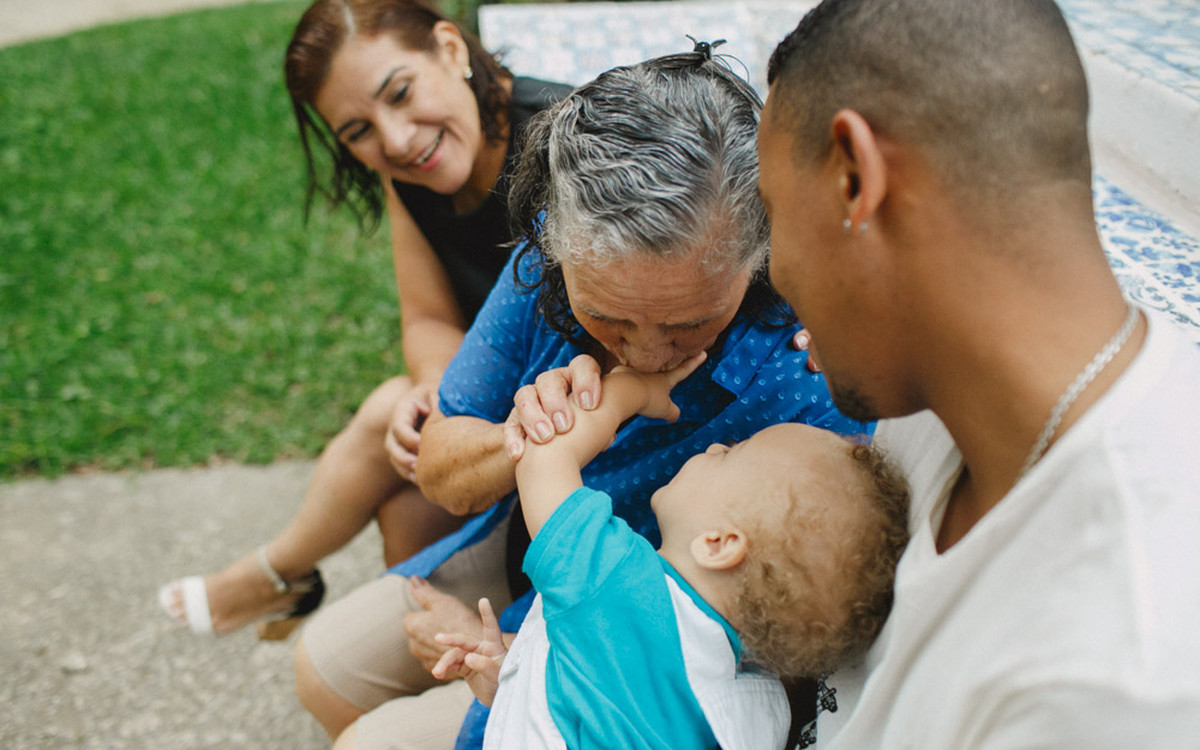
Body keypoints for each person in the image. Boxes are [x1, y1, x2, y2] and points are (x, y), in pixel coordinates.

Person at [291, 46, 872, 749]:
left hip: (640, 649)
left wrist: (573, 431)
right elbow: (444, 468)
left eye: (689, 321)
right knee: (324, 669)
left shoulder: (809, 376)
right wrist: (523, 432)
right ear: (557, 248)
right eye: (608, 315)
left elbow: (793, 630)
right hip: (531, 567)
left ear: (761, 258)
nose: (649, 354)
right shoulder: (543, 255)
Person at [759, 0, 1200, 747]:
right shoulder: (936, 391)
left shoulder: (1122, 675)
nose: (774, 271)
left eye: (772, 212)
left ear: (854, 180)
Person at [157, 0, 572, 638]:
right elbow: (428, 318)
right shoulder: (411, 175)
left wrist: (459, 403)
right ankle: (435, 669)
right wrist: (442, 388)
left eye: (401, 93)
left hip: (579, 415)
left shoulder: (566, 145)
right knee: (404, 491)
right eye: (359, 131)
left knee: (389, 413)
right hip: (503, 409)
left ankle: (278, 575)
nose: (397, 139)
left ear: (452, 50)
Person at [432, 357, 910, 750]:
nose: (718, 445)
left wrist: (632, 390)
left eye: (732, 454)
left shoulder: (623, 587)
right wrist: (515, 678)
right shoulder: (764, 714)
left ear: (718, 544)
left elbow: (544, 456)